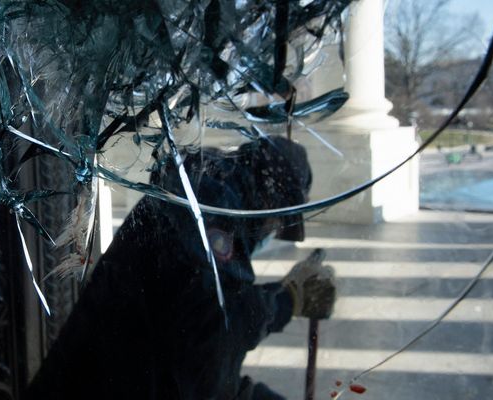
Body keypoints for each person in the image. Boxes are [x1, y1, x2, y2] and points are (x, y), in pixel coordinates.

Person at [26, 136, 336, 400]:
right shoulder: (209, 209)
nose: (270, 233)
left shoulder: (211, 193)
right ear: (272, 201)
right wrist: (285, 300)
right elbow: (211, 336)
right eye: (276, 223)